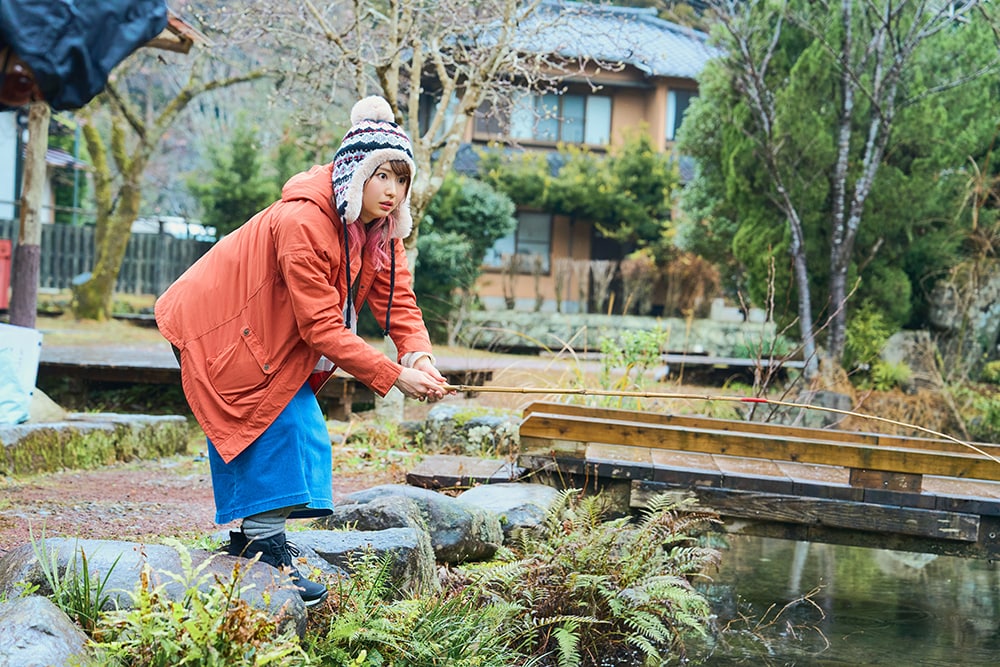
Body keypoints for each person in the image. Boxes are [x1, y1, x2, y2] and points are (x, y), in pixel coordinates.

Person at [154, 96, 453, 606]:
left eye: (402, 180)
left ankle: (255, 545)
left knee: (279, 427)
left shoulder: (380, 231)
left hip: (266, 331)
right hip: (220, 325)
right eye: (383, 176)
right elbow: (319, 327)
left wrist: (418, 357)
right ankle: (265, 554)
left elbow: (399, 301)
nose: (393, 191)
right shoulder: (305, 222)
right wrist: (391, 376)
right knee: (289, 427)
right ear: (355, 173)